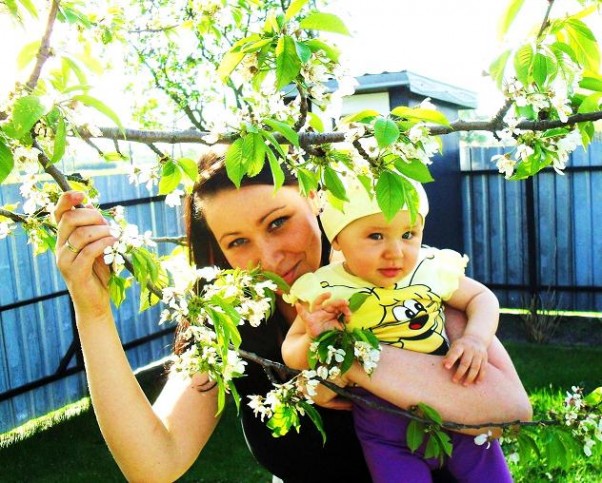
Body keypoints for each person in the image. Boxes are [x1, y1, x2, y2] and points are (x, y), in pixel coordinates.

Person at [52, 151, 531, 482]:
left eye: (278, 222)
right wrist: (91, 311)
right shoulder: (229, 319)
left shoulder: (396, 272)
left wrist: (341, 358)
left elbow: (507, 407)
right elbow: (155, 464)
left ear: (318, 202)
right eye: (238, 242)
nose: (269, 257)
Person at [282, 176, 513, 482]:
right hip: (385, 430)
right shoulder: (326, 288)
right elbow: (290, 351)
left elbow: (482, 298)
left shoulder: (429, 270)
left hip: (454, 408)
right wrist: (313, 337)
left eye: (408, 234)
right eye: (375, 236)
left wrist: (475, 339)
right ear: (337, 239)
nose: (395, 252)